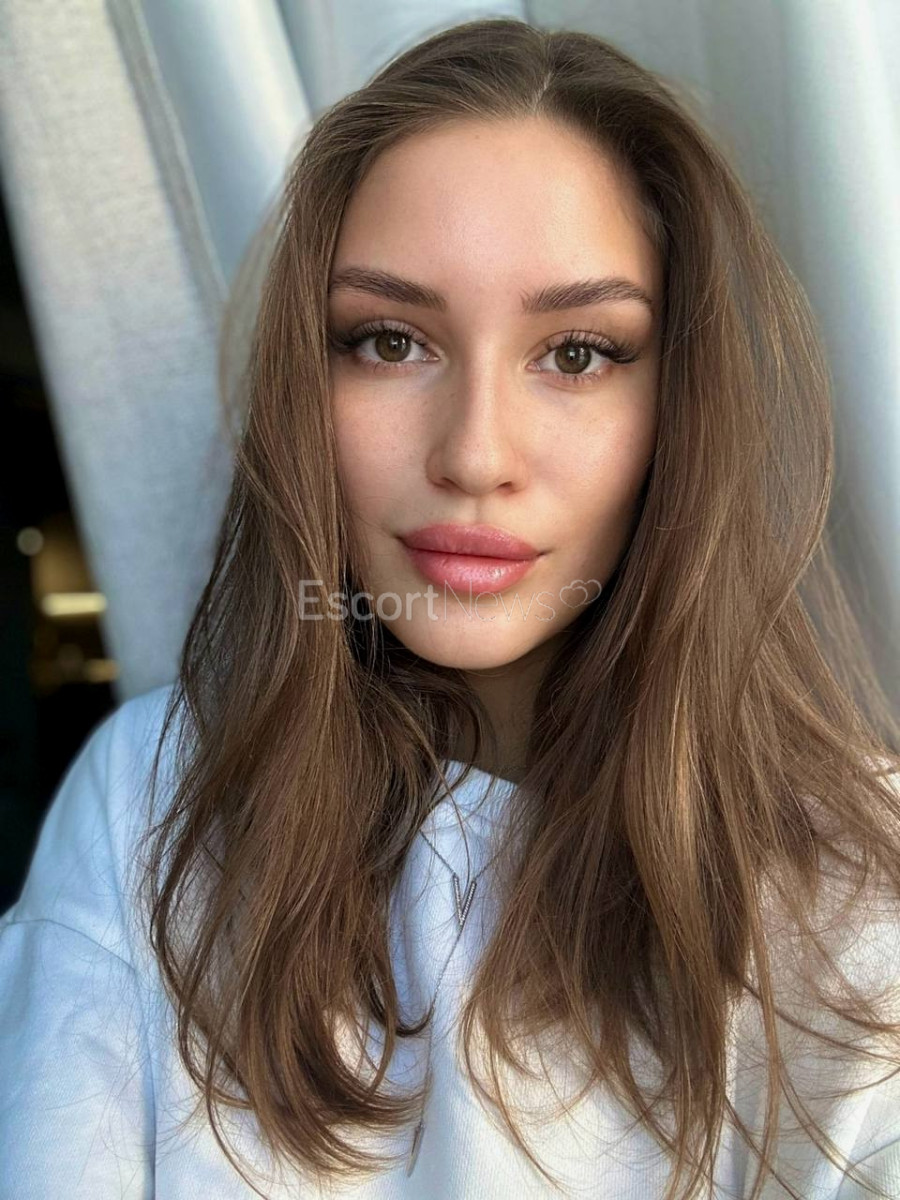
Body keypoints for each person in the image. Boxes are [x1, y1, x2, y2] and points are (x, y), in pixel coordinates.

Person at [2, 16, 899, 1200]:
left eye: (577, 354)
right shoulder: (152, 806)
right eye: (389, 341)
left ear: (683, 404)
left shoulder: (857, 882)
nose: (475, 454)